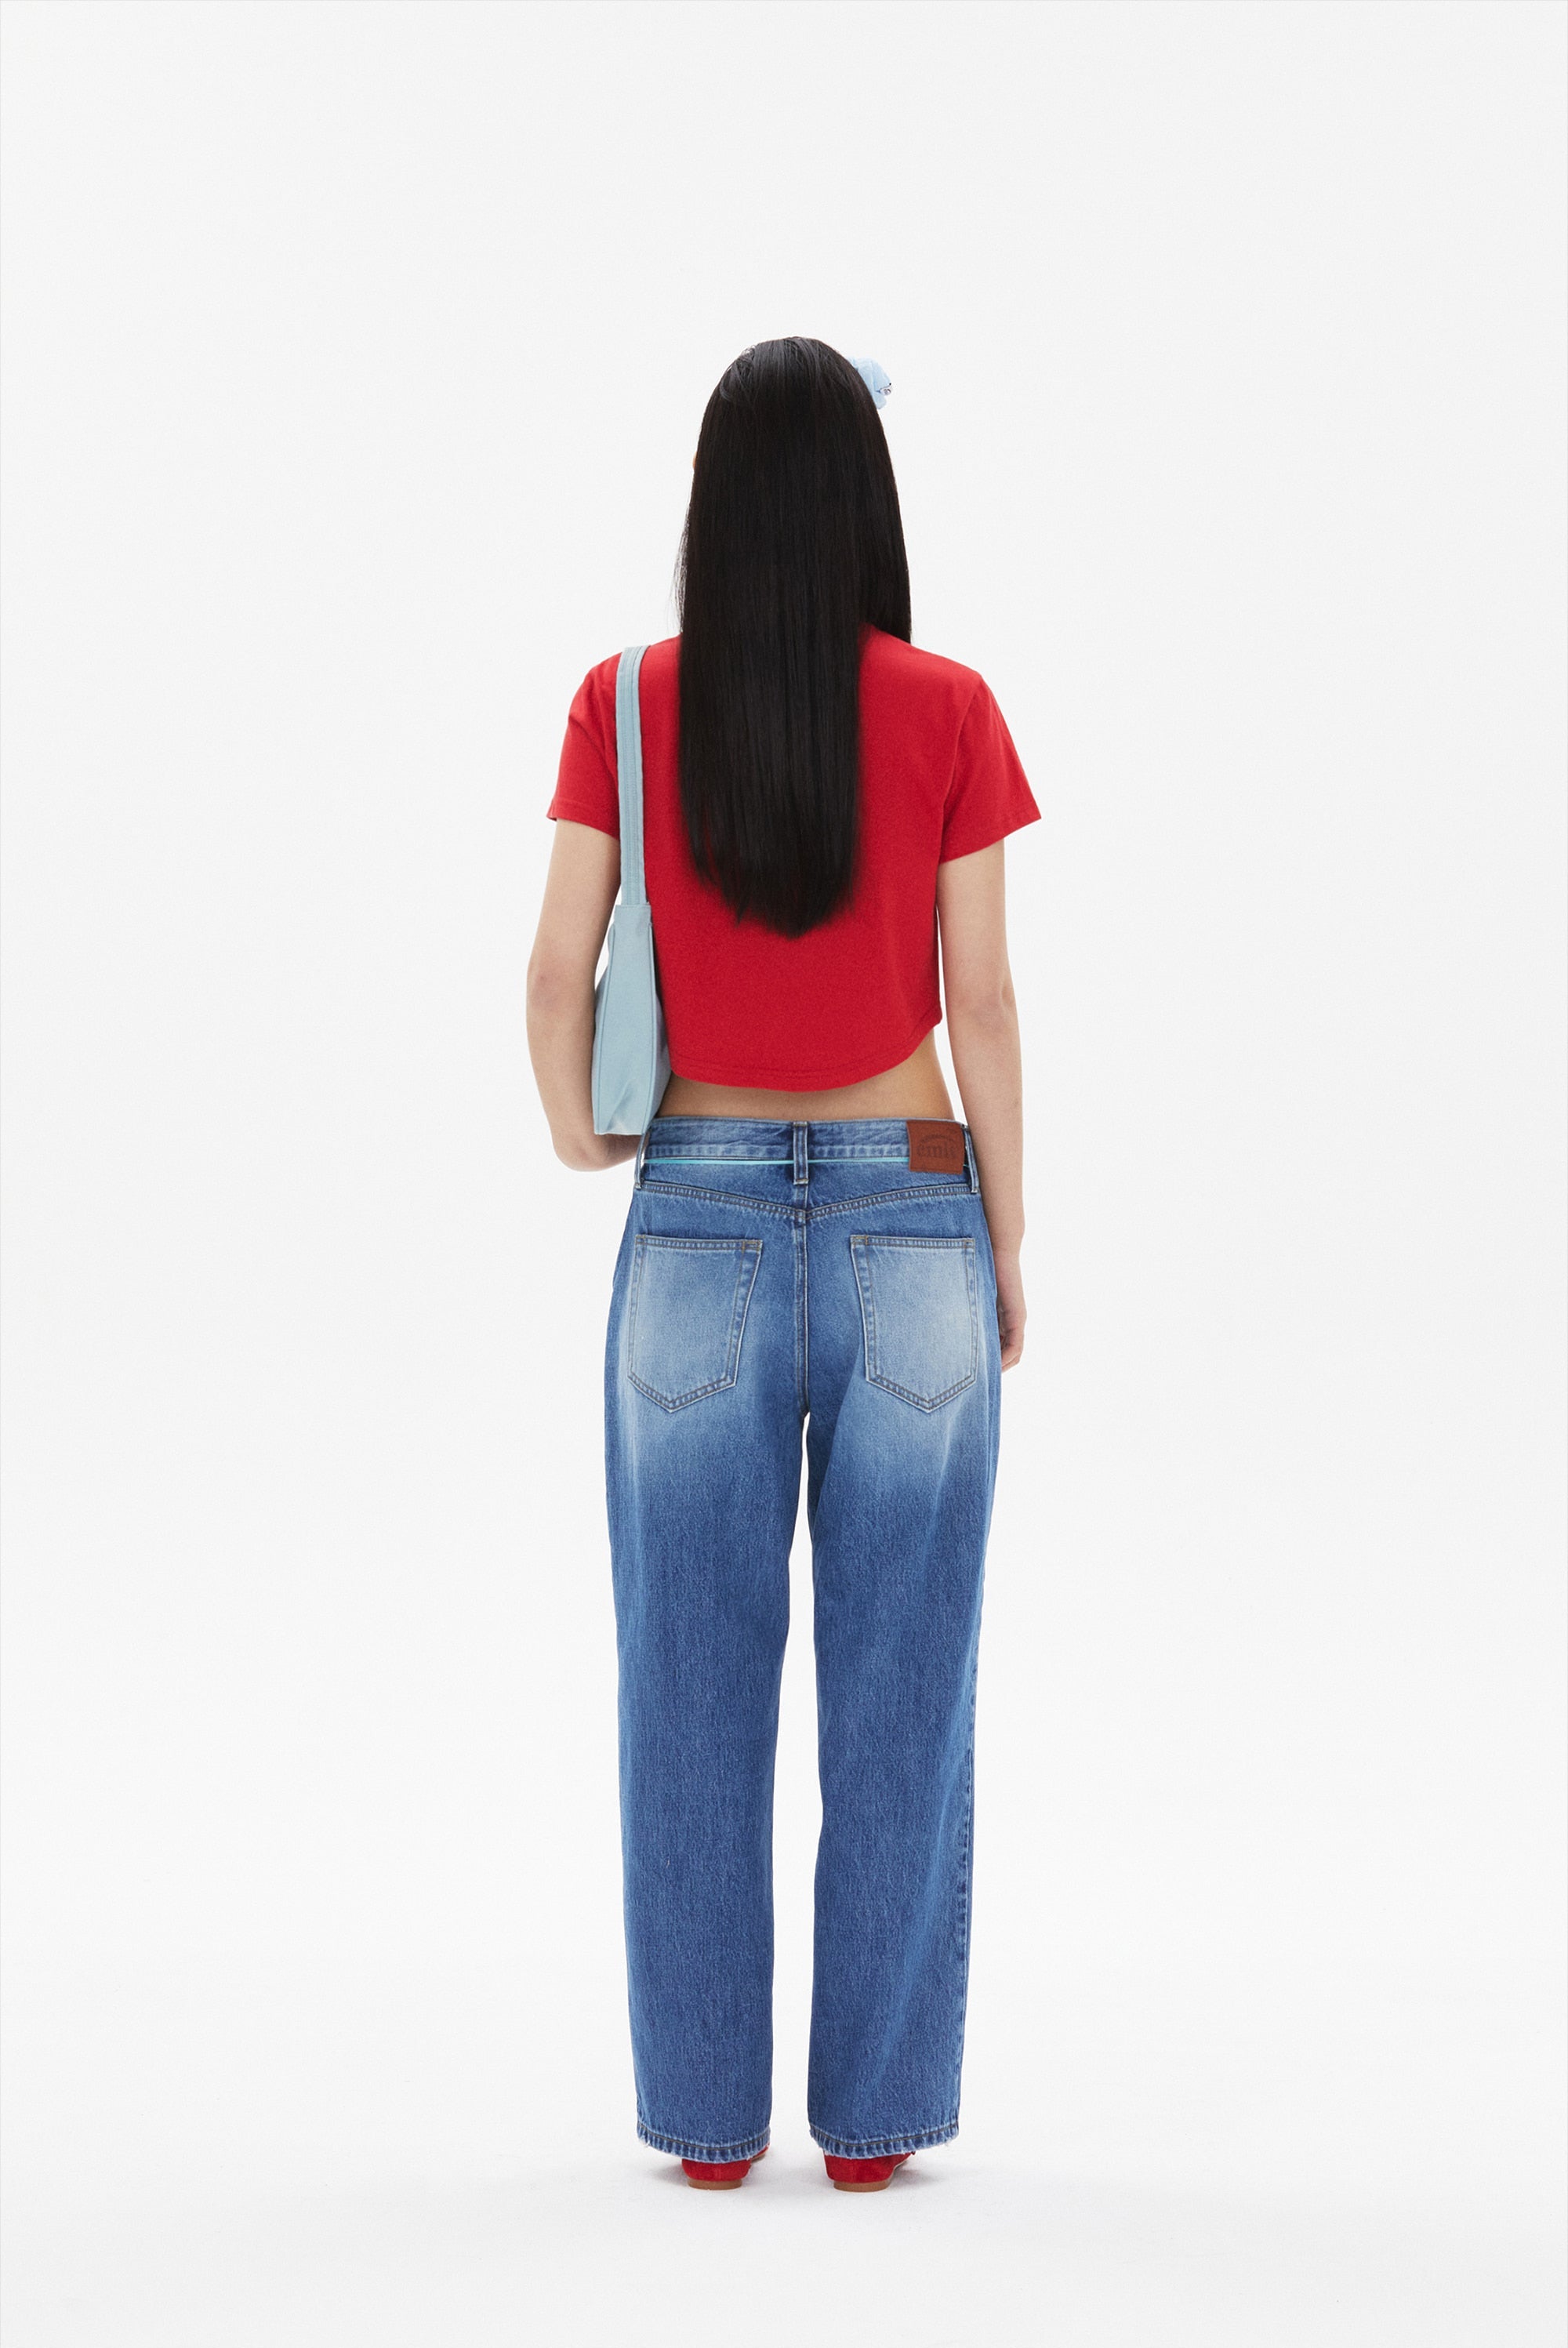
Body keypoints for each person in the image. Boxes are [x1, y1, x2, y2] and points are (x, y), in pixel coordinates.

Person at [527, 338, 1039, 2194]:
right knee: (906, 1686)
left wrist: (585, 1137)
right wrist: (1003, 1239)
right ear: (864, 509)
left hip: (697, 1212)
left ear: (712, 505)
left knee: (685, 1683)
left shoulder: (624, 702)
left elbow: (554, 968)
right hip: (912, 1210)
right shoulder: (952, 707)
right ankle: (875, 2124)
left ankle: (706, 2125)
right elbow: (980, 998)